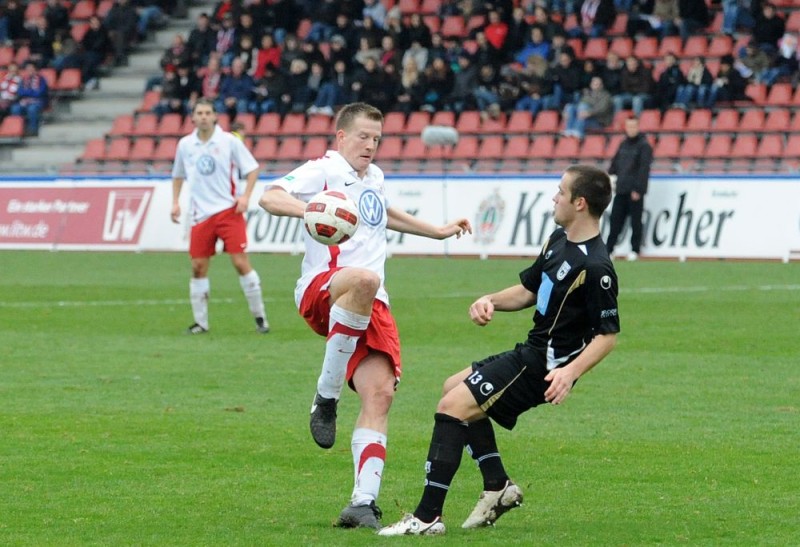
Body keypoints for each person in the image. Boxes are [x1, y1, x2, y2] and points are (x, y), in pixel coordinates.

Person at [258, 102, 472, 530]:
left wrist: (438, 231)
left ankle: (362, 503)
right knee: (364, 279)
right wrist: (313, 210)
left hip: (371, 304)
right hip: (325, 286)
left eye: (377, 138)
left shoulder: (374, 177)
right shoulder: (323, 168)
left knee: (380, 395)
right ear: (341, 137)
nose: (370, 145)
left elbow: (384, 213)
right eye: (363, 136)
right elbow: (269, 195)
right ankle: (327, 395)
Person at [378, 164, 620, 536]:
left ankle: (427, 518)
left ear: (581, 202)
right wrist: (490, 299)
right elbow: (527, 290)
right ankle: (498, 485)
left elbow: (608, 335)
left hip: (544, 367)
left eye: (561, 191)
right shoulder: (558, 240)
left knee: (452, 408)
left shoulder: (596, 265)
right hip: (529, 351)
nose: (554, 197)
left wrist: (570, 373)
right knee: (451, 388)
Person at [170, 98, 270, 335]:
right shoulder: (185, 145)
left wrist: (245, 196)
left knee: (240, 263)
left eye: (208, 113)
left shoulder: (228, 142)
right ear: (192, 118)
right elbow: (178, 174)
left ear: (215, 117)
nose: (203, 116)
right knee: (198, 267)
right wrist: (175, 202)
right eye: (199, 113)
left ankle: (260, 318)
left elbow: (252, 168)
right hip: (199, 215)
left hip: (228, 210)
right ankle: (201, 323)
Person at [605, 116, 652, 261]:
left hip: (634, 191)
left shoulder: (644, 146)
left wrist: (639, 189)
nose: (631, 129)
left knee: (635, 222)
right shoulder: (623, 144)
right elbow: (614, 164)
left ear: (638, 127)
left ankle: (635, 250)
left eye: (633, 126)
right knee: (615, 221)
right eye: (629, 126)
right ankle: (609, 250)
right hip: (621, 189)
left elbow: (644, 170)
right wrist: (609, 176)